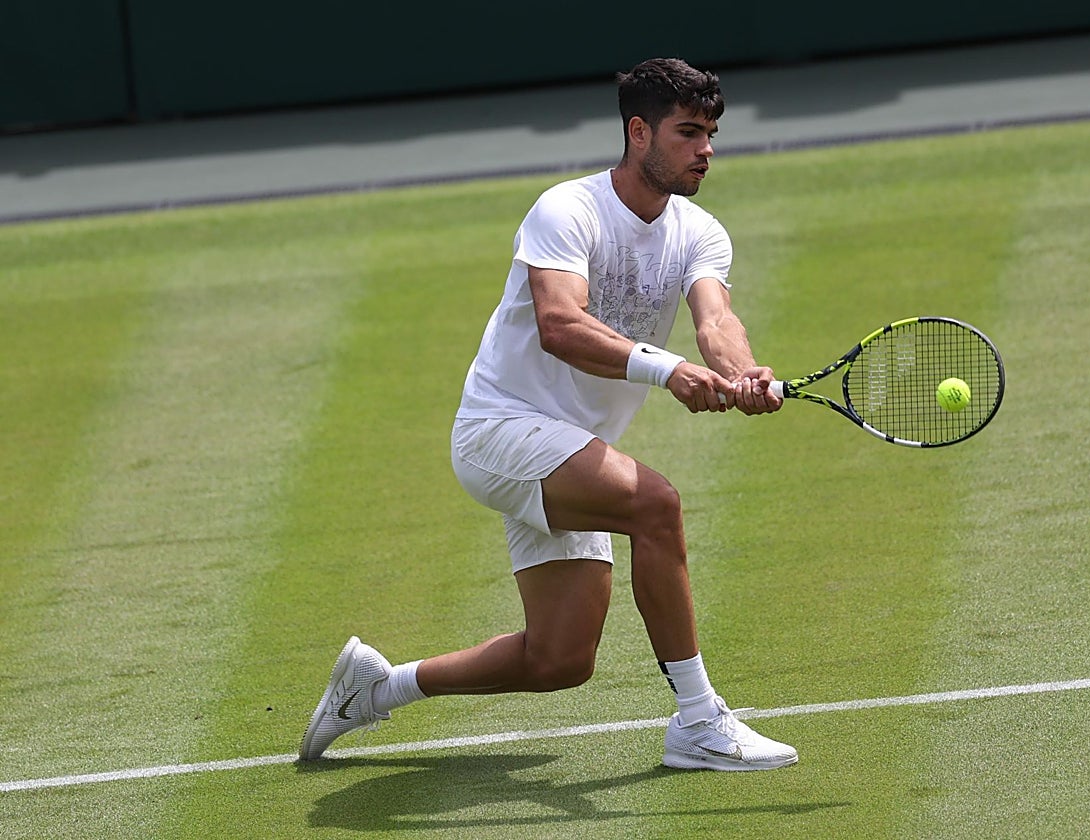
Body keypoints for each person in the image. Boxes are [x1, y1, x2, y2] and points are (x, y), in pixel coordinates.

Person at [300, 57, 797, 771]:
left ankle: (378, 688)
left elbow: (716, 319)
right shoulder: (568, 210)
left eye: (711, 133)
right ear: (638, 132)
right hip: (498, 432)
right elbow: (561, 324)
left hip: (569, 445)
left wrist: (741, 372)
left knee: (559, 658)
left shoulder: (700, 232)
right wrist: (669, 370)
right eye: (688, 133)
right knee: (656, 506)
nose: (706, 150)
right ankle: (698, 721)